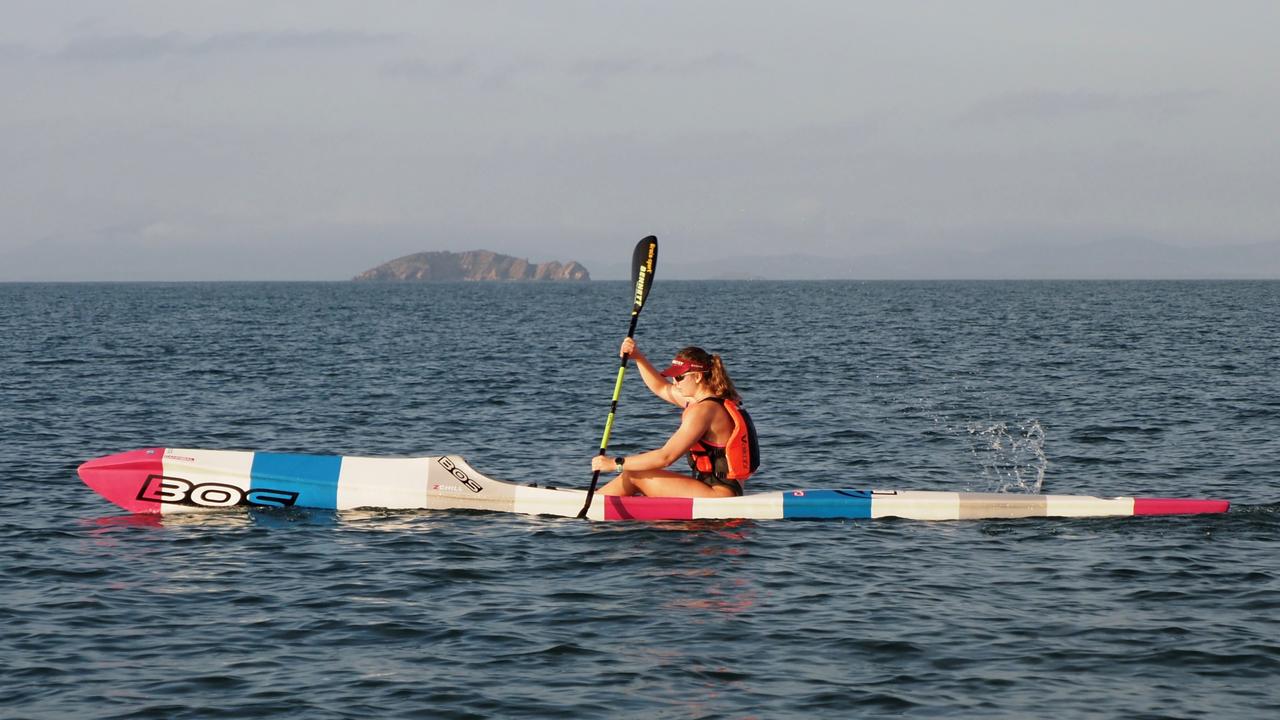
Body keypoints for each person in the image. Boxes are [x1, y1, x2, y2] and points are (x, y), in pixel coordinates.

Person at [592, 338, 759, 498]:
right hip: (719, 489)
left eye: (679, 377)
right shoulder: (713, 401)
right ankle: (599, 499)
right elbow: (661, 387)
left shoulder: (704, 411)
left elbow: (665, 457)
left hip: (719, 494)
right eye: (673, 376)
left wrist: (614, 464)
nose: (675, 382)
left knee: (633, 475)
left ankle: (592, 505)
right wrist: (638, 357)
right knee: (637, 467)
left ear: (698, 376)